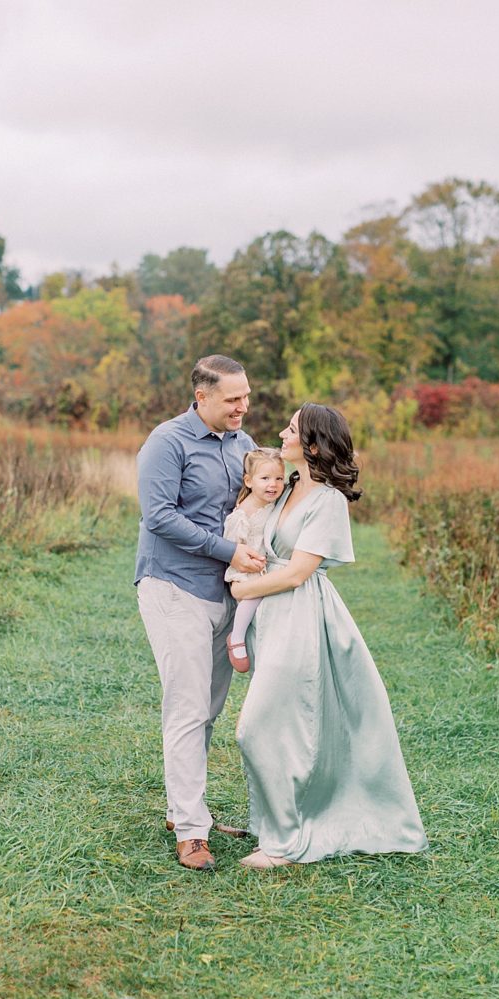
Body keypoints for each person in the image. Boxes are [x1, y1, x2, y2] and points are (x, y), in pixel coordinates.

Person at [231, 403, 429, 868]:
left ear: (314, 444)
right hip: (270, 617)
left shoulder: (328, 501)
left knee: (257, 726)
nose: (282, 433)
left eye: (292, 430)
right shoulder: (290, 485)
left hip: (300, 616)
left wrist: (244, 587)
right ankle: (273, 823)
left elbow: (299, 572)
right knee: (283, 725)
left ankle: (284, 843)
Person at [134, 354, 265, 872]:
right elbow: (159, 516)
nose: (243, 407)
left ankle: (182, 808)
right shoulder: (167, 442)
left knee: (207, 709)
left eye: (246, 396)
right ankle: (191, 831)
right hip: (174, 587)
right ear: (202, 397)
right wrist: (229, 551)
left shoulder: (246, 444)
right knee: (188, 709)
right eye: (233, 399)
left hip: (226, 596)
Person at [223, 448, 286, 672]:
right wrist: (248, 563)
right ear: (248, 481)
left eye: (279, 478)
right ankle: (236, 637)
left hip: (266, 565)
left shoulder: (275, 503)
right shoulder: (242, 514)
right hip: (247, 567)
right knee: (253, 596)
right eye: (265, 478)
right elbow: (234, 547)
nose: (273, 484)